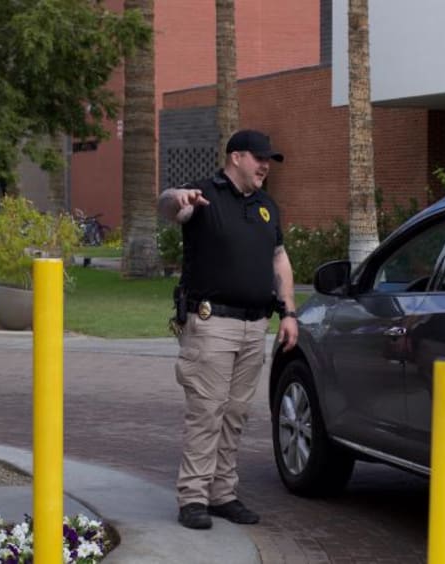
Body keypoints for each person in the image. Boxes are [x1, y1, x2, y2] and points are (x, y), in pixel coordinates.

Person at [157, 129, 299, 530]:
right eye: (259, 158)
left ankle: (222, 494)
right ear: (236, 157)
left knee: (235, 413)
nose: (265, 166)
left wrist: (289, 313)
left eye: (269, 159)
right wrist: (177, 197)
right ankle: (193, 498)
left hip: (255, 327)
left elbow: (280, 261)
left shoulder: (267, 206)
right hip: (211, 323)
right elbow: (170, 207)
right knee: (207, 412)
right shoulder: (202, 194)